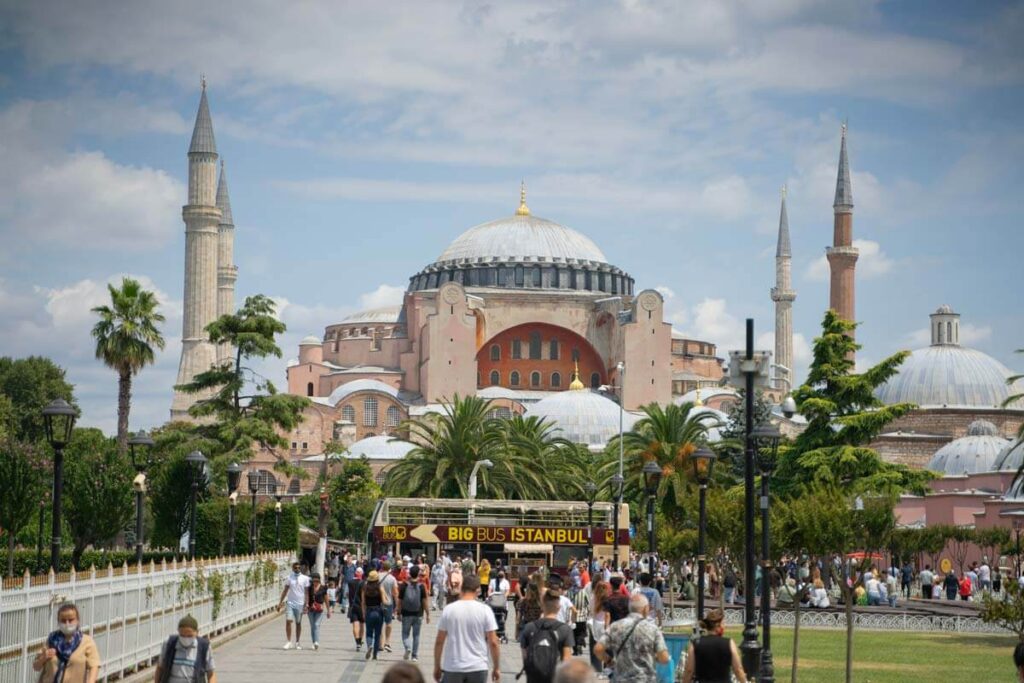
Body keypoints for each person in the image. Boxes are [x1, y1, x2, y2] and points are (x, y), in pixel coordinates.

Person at [434, 574, 501, 683]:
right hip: (478, 666)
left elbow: (439, 642)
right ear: (478, 590)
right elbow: (493, 642)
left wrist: (437, 666)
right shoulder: (485, 610)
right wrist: (496, 667)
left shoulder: (449, 610)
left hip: (453, 666)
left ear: (462, 587)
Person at [593, 594, 669, 683]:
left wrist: (608, 660)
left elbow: (598, 649)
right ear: (645, 609)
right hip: (645, 679)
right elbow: (664, 658)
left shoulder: (616, 626)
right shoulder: (653, 629)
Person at [33, 602, 101, 683]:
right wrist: (44, 657)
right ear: (58, 621)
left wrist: (91, 681)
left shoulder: (86, 641)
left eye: (71, 620)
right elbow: (36, 667)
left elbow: (94, 665)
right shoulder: (51, 640)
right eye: (63, 620)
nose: (67, 624)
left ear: (77, 620)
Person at [519, 591, 575, 683]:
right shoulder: (565, 630)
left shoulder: (529, 627)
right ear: (559, 607)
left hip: (534, 678)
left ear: (542, 606)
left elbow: (525, 657)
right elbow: (566, 661)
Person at [681, 608, 746, 683]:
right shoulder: (729, 643)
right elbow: (738, 669)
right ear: (718, 625)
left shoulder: (695, 644)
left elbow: (689, 670)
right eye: (723, 624)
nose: (724, 626)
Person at [153, 614, 216, 683]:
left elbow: (211, 673)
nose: (186, 638)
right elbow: (160, 668)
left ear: (197, 632)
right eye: (182, 635)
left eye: (189, 636)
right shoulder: (169, 644)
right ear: (178, 631)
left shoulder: (204, 647)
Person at [399, 565, 430, 662]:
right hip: (418, 614)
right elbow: (425, 601)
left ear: (409, 573)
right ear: (418, 574)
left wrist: (398, 612)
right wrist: (428, 614)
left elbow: (400, 601)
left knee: (405, 634)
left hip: (406, 613)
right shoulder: (421, 586)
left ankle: (408, 647)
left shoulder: (404, 585)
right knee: (416, 635)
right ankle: (414, 656)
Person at [277, 560, 310, 650]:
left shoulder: (305, 578)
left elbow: (307, 593)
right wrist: (280, 603)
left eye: (299, 567)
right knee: (288, 620)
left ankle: (297, 642)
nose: (297, 569)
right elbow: (285, 590)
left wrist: (306, 603)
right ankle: (288, 641)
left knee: (298, 623)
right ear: (292, 568)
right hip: (290, 603)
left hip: (300, 603)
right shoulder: (289, 578)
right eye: (295, 568)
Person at [363, 569, 387, 660]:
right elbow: (385, 601)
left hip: (369, 611)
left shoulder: (365, 588)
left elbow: (363, 602)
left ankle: (369, 645)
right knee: (378, 634)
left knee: (369, 632)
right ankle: (375, 654)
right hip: (378, 611)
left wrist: (364, 612)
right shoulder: (379, 587)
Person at [588, 580, 610, 673]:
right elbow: (607, 615)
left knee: (595, 649)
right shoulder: (607, 599)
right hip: (604, 624)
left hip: (594, 624)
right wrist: (607, 626)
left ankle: (596, 669)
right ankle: (607, 669)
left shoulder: (593, 598)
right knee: (606, 649)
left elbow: (591, 611)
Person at [380, 561, 400, 653]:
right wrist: (397, 606)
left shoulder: (377, 576)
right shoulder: (392, 578)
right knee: (388, 623)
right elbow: (395, 593)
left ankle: (380, 643)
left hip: (377, 603)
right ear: (389, 569)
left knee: (379, 624)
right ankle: (387, 642)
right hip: (388, 603)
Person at [306, 573, 328, 650]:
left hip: (320, 610)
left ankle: (316, 642)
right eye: (313, 580)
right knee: (312, 626)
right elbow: (306, 597)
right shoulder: (309, 588)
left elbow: (326, 599)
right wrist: (305, 605)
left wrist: (328, 610)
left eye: (316, 580)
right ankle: (313, 642)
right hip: (310, 609)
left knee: (316, 625)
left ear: (318, 580)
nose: (314, 582)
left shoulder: (323, 588)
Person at [348, 567, 366, 652]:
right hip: (361, 606)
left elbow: (348, 594)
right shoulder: (363, 583)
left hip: (353, 606)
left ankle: (357, 642)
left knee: (355, 624)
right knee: (362, 624)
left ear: (355, 573)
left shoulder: (350, 582)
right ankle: (360, 641)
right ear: (361, 574)